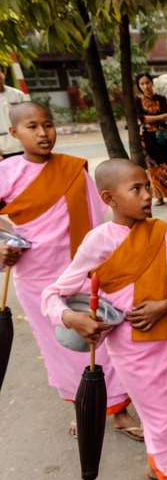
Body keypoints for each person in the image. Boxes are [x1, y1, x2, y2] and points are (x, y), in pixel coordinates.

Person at [42, 159, 167, 480]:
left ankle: (160, 469)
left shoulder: (162, 231)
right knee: (163, 420)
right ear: (109, 198)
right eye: (136, 189)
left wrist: (166, 303)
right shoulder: (98, 241)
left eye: (148, 186)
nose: (148, 194)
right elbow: (54, 294)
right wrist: (72, 317)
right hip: (135, 356)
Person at [0, 102, 139, 439]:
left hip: (80, 271)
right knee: (59, 346)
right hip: (34, 275)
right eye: (32, 126)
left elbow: (97, 222)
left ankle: (118, 411)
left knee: (100, 339)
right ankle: (80, 405)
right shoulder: (7, 171)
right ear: (14, 133)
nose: (43, 132)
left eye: (48, 124)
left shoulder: (75, 170)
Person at [134, 71, 167, 206]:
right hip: (147, 137)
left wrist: (151, 119)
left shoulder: (161, 99)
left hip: (162, 136)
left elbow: (166, 116)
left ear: (152, 83)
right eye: (142, 84)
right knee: (152, 167)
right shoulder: (137, 100)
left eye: (147, 82)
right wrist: (159, 117)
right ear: (139, 86)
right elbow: (142, 118)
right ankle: (159, 196)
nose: (145, 86)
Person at [0, 68, 30, 160]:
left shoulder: (18, 95)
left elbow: (29, 118)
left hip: (24, 147)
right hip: (3, 150)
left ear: (3, 74)